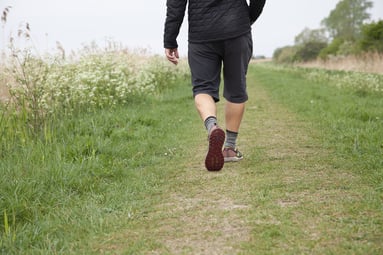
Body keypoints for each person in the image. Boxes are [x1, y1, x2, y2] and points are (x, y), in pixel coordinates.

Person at [164, 0, 266, 171]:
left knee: (202, 88)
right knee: (236, 88)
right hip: (237, 28)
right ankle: (230, 149)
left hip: (201, 34)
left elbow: (175, 6)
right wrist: (247, 19)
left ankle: (212, 127)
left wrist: (170, 40)